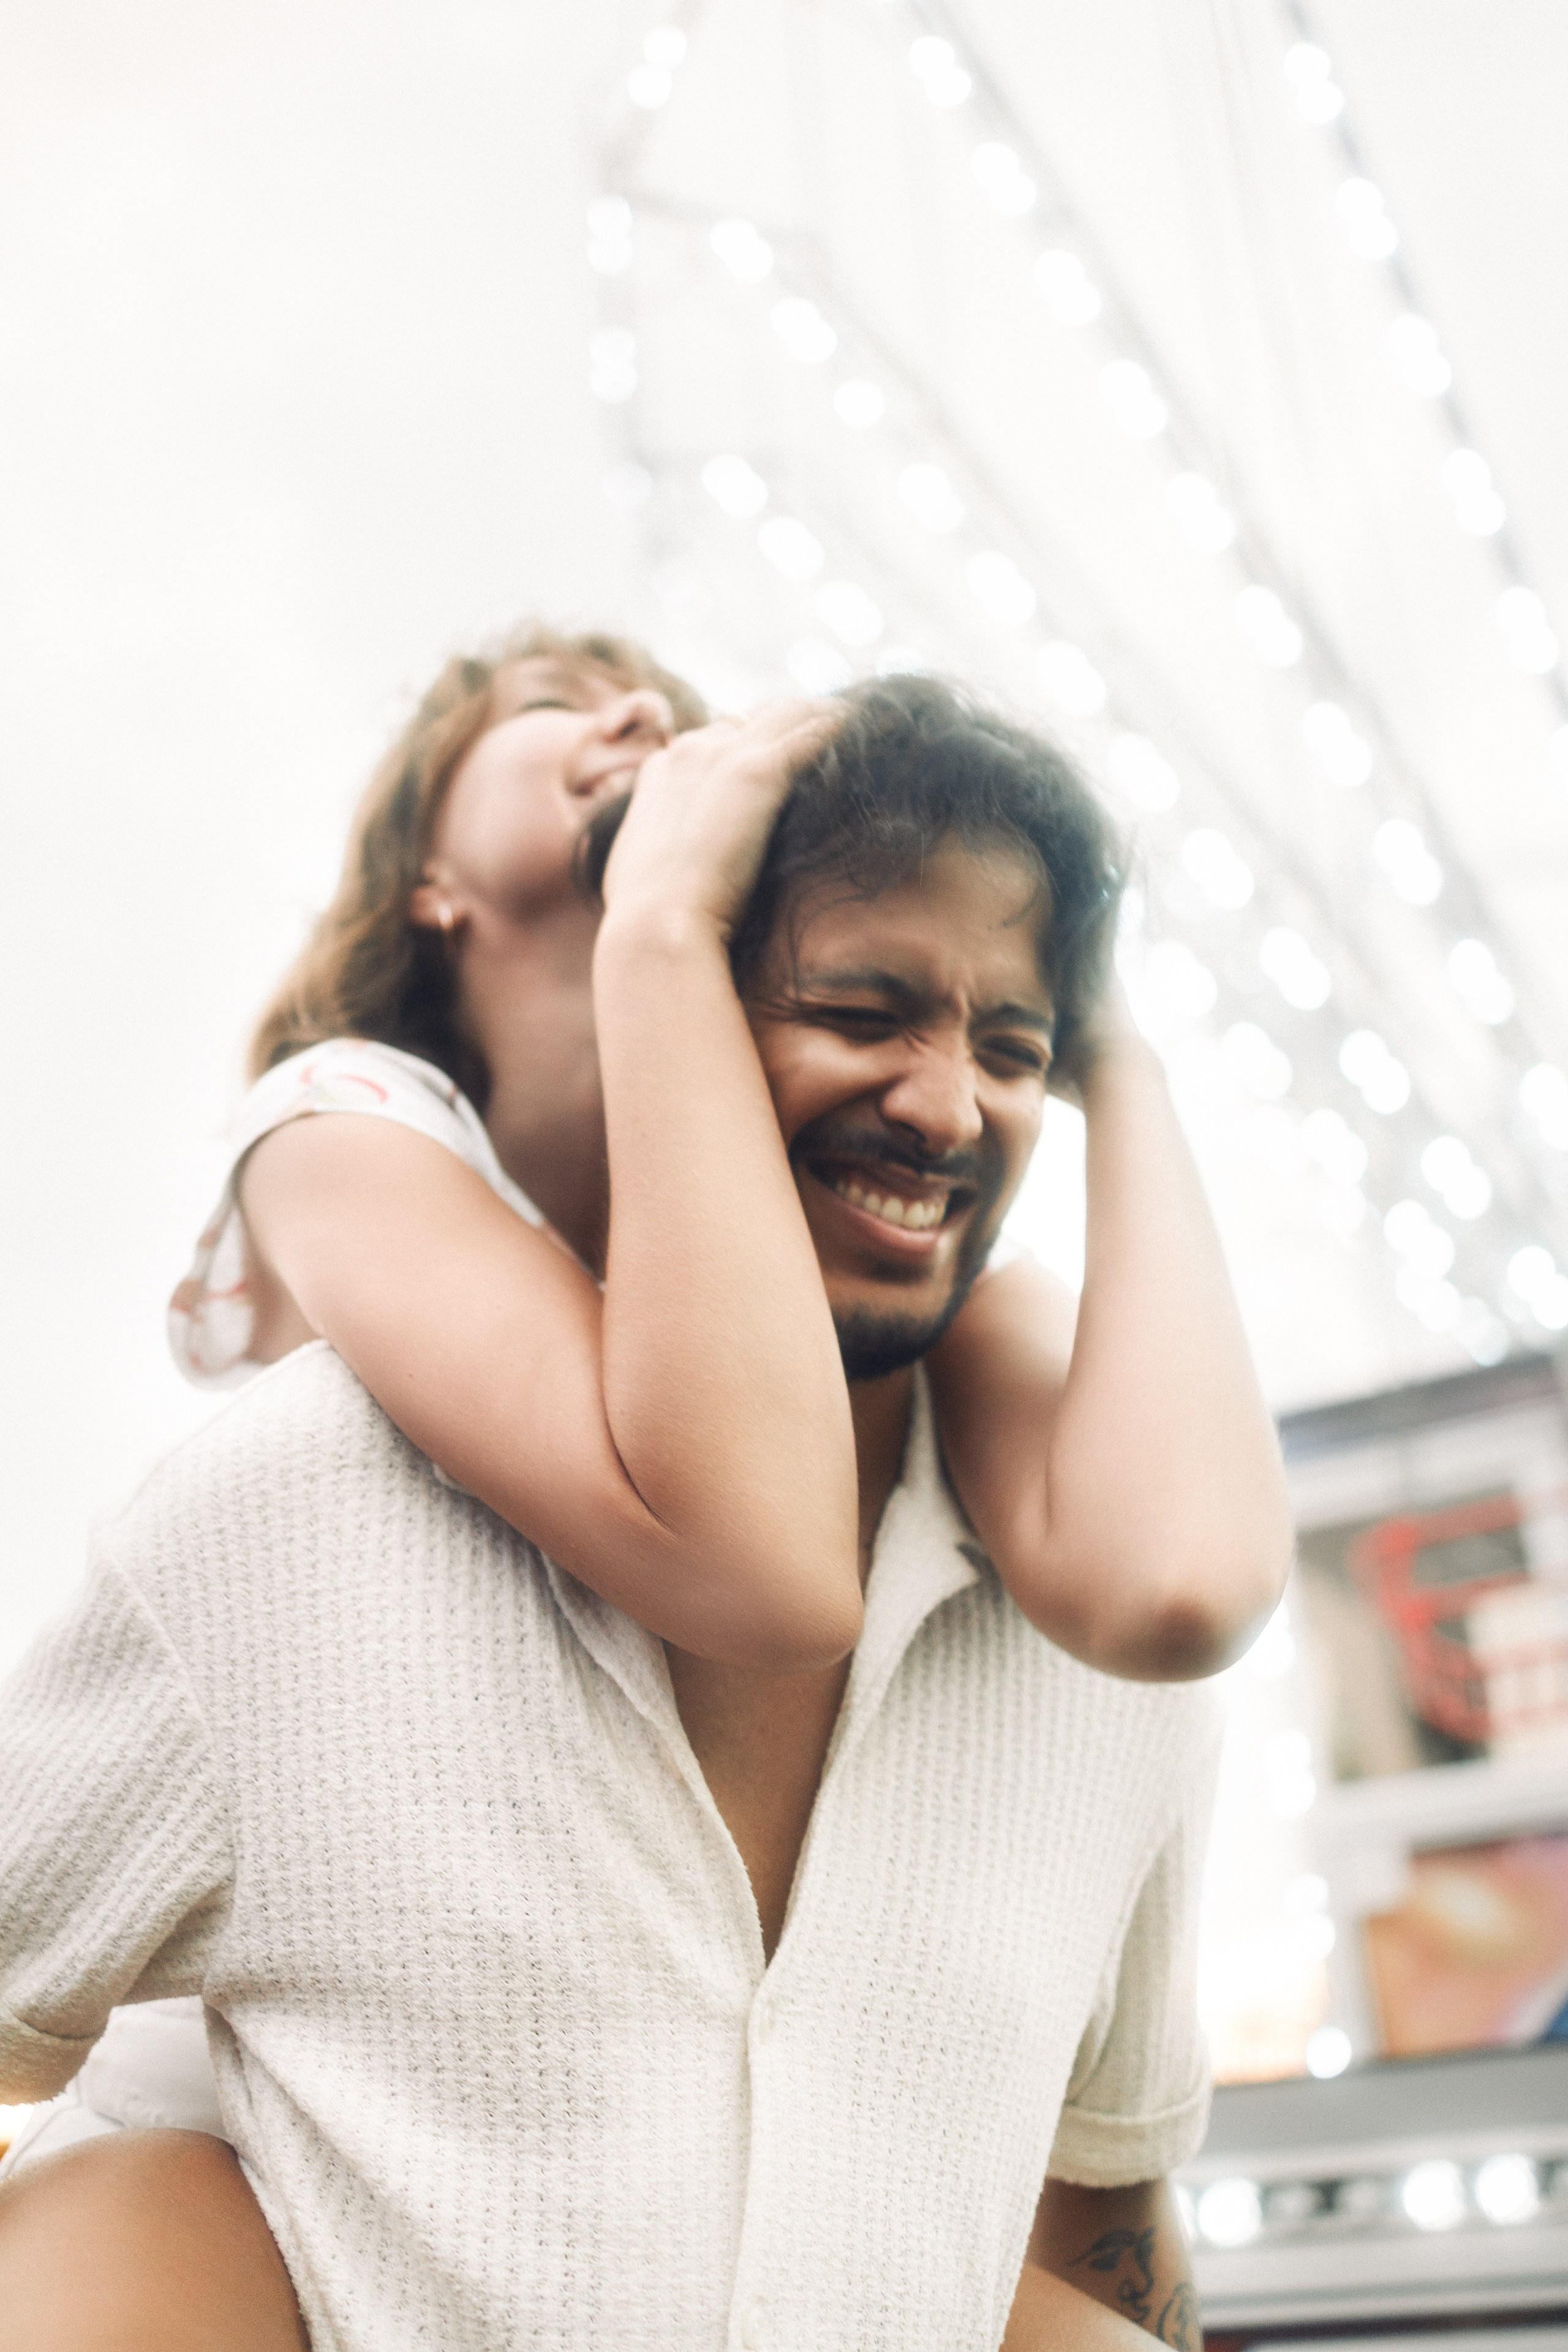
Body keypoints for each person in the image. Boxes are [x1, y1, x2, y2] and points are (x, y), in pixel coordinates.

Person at [0, 632, 1292, 2347]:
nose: (942, 1101)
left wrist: (1097, 1022)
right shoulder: (338, 1237)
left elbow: (1178, 1591)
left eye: (1010, 1042)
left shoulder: (1056, 1507)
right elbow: (756, 1553)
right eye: (854, 1006)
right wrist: (668, 922)